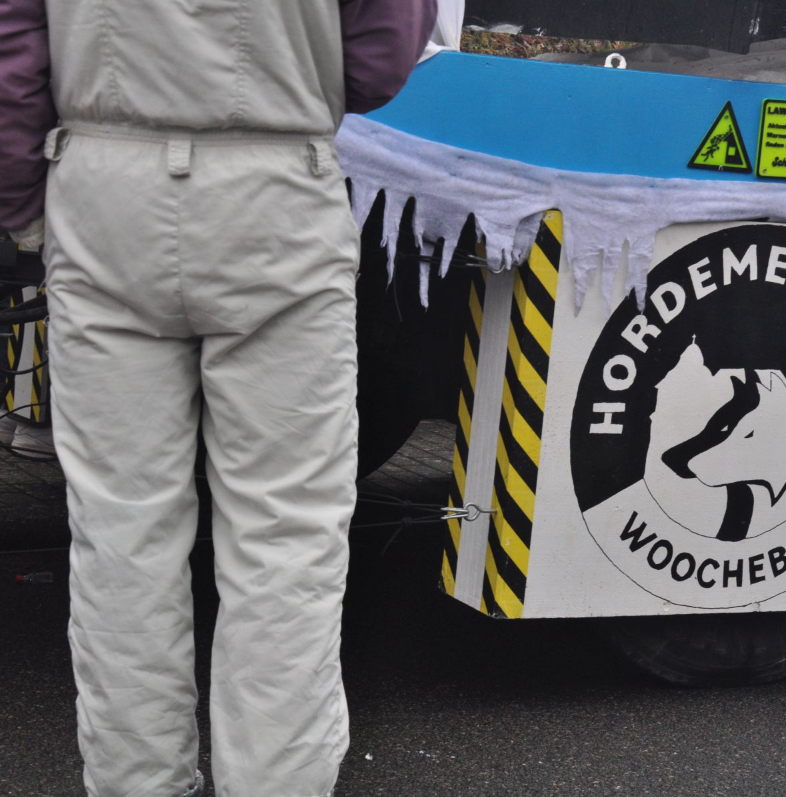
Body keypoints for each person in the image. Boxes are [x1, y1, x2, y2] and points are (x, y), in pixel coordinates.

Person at [0, 1, 436, 795]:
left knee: (120, 531)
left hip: (104, 194)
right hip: (277, 189)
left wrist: (24, 205)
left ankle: (136, 781)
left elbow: (14, 42)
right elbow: (382, 56)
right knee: (286, 533)